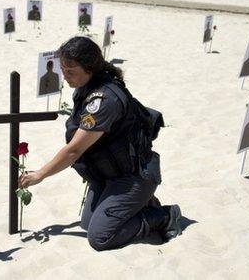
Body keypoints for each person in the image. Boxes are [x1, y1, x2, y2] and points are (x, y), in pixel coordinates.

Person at [19, 36, 182, 251]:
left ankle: (163, 216)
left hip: (133, 176)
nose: (65, 77)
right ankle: (144, 203)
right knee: (87, 224)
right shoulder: (87, 86)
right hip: (107, 175)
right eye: (63, 70)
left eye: (70, 72)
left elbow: (74, 150)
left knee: (100, 237)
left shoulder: (105, 100)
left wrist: (40, 174)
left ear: (89, 68)